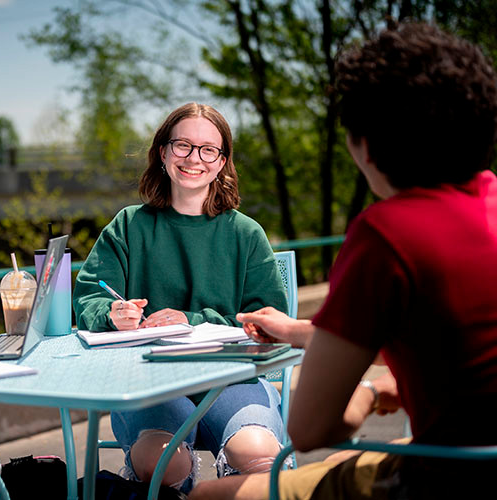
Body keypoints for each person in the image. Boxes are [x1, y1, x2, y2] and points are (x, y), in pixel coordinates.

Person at [188, 22, 497, 500]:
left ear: (364, 145)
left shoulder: (388, 234)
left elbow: (312, 428)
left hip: (448, 476)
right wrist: (299, 331)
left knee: (209, 496)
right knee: (339, 465)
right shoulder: (489, 202)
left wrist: (373, 392)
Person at [73, 103, 289, 493]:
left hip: (231, 377)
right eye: (183, 146)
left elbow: (270, 319)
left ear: (222, 162)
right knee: (162, 463)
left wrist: (194, 319)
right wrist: (112, 312)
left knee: (257, 456)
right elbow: (88, 296)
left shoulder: (246, 234)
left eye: (209, 150)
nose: (194, 159)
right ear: (163, 152)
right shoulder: (128, 226)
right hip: (149, 381)